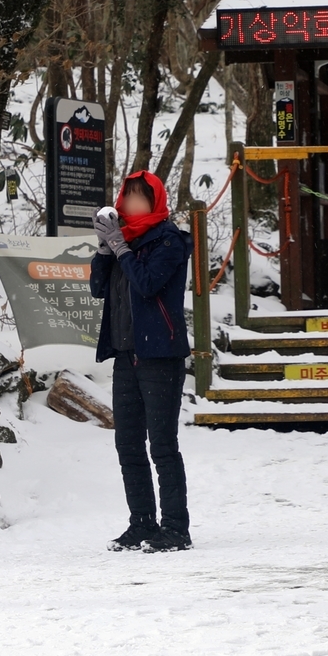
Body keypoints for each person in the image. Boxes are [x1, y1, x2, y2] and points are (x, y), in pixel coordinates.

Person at [90, 170, 194, 553]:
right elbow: (98, 288)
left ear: (155, 202)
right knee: (128, 445)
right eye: (127, 197)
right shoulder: (124, 243)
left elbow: (148, 284)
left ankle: (176, 528)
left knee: (163, 445)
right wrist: (105, 249)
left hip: (160, 355)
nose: (131, 204)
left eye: (140, 198)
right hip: (125, 354)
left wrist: (119, 247)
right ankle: (142, 523)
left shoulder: (169, 240)